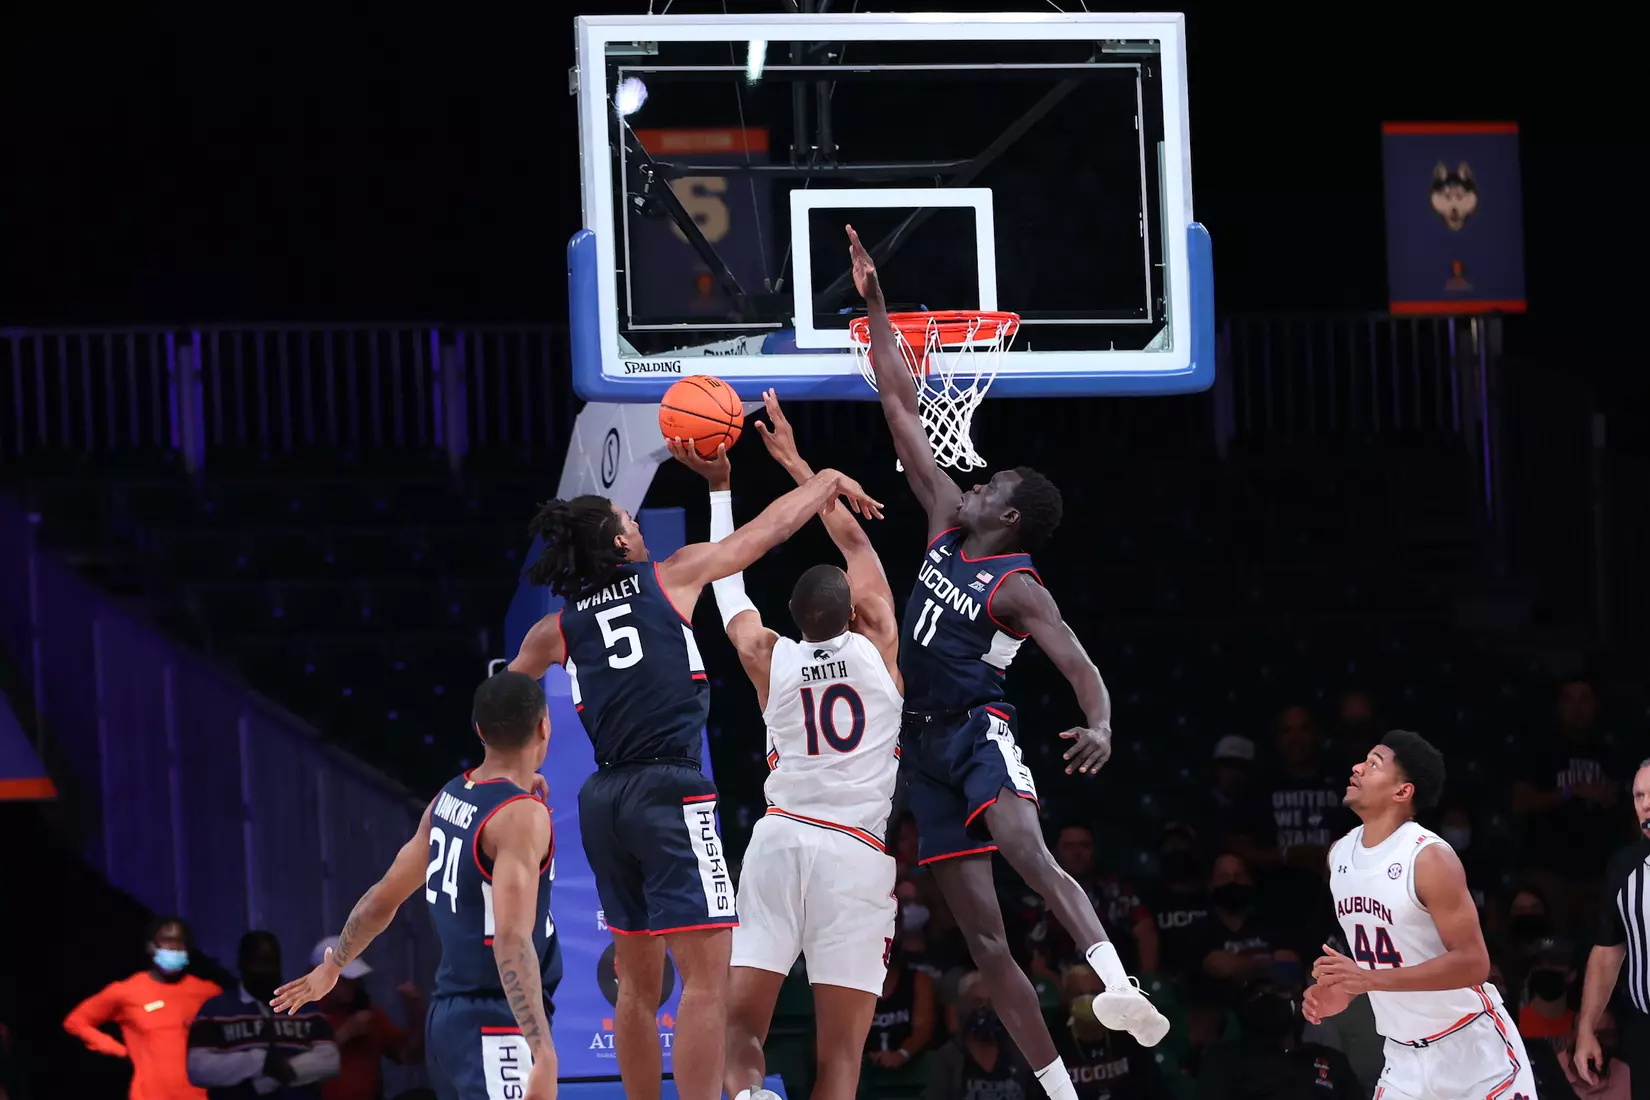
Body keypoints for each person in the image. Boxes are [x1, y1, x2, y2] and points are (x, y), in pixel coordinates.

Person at [848, 225, 1167, 1098]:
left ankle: (1117, 985)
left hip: (979, 732)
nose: (977, 478)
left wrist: (1099, 720)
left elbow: (1080, 662)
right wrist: (877, 305)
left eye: (994, 486)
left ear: (1013, 518)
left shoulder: (1018, 584)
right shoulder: (947, 515)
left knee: (1029, 850)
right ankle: (1061, 1093)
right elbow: (901, 410)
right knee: (983, 941)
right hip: (921, 748)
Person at [507, 456, 881, 1100]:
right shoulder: (667, 577)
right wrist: (823, 480)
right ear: (622, 542)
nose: (636, 521)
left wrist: (519, 773)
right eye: (628, 518)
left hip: (603, 800)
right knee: (706, 981)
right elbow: (761, 536)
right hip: (670, 790)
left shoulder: (554, 629)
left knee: (635, 981)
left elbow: (502, 699)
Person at [671, 389, 902, 1100]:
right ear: (855, 612)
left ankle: (744, 1097)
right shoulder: (880, 645)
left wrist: (721, 487)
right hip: (856, 856)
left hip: (781, 841)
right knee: (840, 1056)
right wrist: (804, 466)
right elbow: (855, 541)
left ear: (798, 619)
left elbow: (726, 585)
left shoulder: (770, 658)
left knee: (742, 1027)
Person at [270, 672, 560, 1100]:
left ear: (479, 730)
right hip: (496, 1017)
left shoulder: (450, 798)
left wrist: (334, 966)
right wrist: (544, 1051)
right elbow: (511, 942)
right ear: (544, 726)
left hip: (448, 1019)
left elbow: (380, 900)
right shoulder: (520, 816)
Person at [1308, 729, 1537, 1100]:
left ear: (1403, 791)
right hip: (1403, 1059)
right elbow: (1389, 954)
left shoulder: (1429, 857)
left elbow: (1474, 963)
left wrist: (1367, 980)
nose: (1357, 768)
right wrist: (1345, 990)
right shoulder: (1339, 856)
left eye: (1373, 764)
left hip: (1473, 1052)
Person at [63, 916, 222, 1100]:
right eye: (167, 941)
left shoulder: (208, 992)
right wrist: (118, 1050)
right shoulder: (127, 991)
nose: (174, 948)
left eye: (180, 942)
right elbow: (76, 1022)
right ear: (150, 947)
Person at [1573, 757, 1650, 1100]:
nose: (1646, 805)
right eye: (1638, 796)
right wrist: (1587, 1028)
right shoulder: (1625, 867)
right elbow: (1608, 951)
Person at [188, 931, 341, 1098]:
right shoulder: (216, 1010)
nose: (266, 970)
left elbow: (330, 1061)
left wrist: (267, 1080)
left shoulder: (305, 1007)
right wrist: (259, 1062)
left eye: (271, 962)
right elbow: (198, 1069)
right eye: (258, 962)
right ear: (242, 963)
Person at [304, 936, 425, 1100]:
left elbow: (409, 1055)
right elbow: (294, 1073)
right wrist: (344, 1034)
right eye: (344, 978)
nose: (352, 984)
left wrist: (416, 1017)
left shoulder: (366, 1013)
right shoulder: (303, 1016)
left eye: (354, 978)